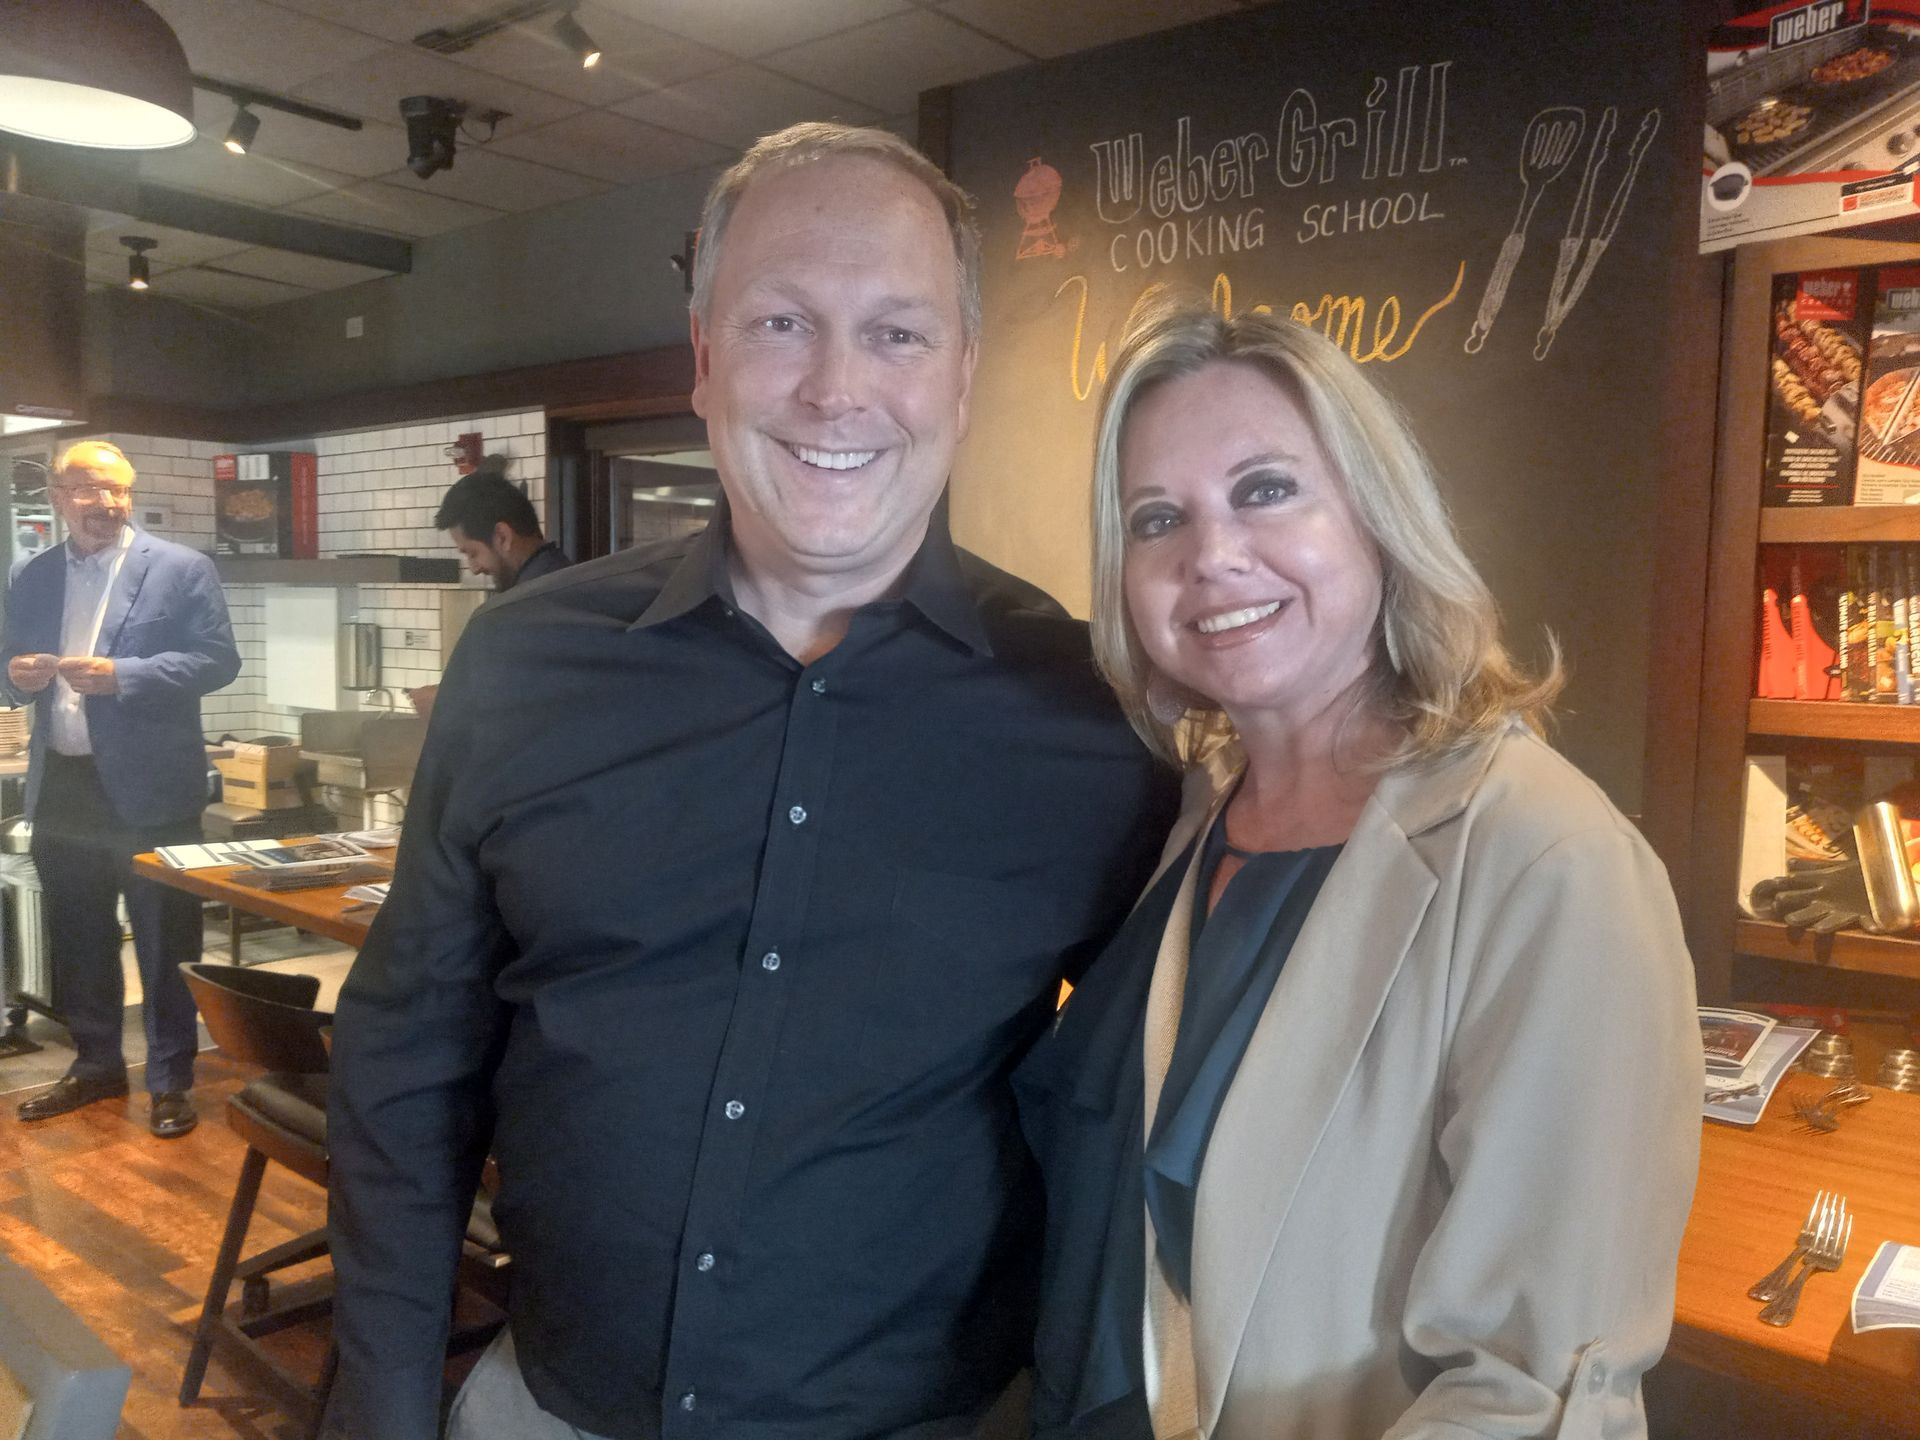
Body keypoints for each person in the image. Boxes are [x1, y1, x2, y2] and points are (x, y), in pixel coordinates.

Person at [325, 122, 1177, 1440]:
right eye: (783, 323)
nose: (837, 389)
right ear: (706, 360)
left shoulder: (1094, 716)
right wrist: (380, 1406)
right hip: (550, 1409)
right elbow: (408, 1055)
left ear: (963, 376)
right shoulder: (524, 660)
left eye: (898, 333)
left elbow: (1143, 1108)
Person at [1014, 300, 1701, 1439]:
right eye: (1156, 518)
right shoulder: (1186, 817)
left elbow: (1531, 1398)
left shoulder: (1549, 865)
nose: (1211, 555)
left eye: (1267, 489)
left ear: (1376, 520)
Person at [1, 440, 239, 1139]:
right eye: (90, 490)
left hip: (152, 790)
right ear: (59, 495)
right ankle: (97, 1062)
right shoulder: (33, 575)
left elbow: (217, 659)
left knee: (167, 938)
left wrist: (125, 676)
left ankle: (171, 1080)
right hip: (64, 784)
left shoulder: (181, 568)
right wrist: (18, 678)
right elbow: (5, 669)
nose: (106, 503)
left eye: (117, 490)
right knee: (80, 934)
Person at [434, 461, 571, 592]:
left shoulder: (518, 609)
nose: (474, 569)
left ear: (503, 537)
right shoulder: (574, 579)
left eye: (472, 553)